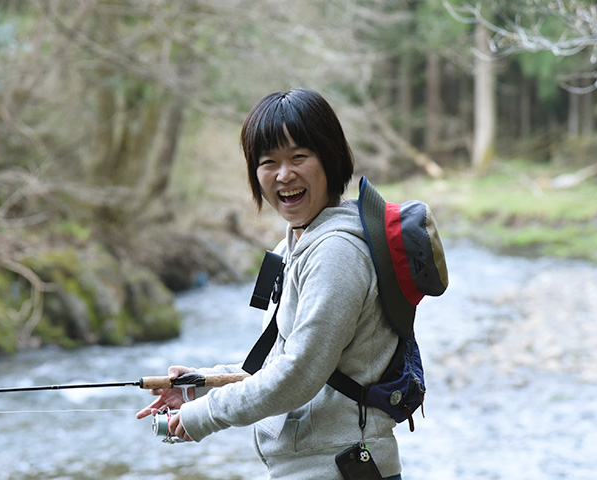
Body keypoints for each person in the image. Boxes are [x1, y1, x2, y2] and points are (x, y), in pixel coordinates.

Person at [137, 88, 403, 479]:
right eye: (268, 162)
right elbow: (278, 362)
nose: (283, 175)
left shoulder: (337, 253)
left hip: (342, 468)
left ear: (330, 158)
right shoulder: (294, 243)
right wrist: (200, 385)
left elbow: (297, 375)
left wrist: (205, 415)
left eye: (299, 157)